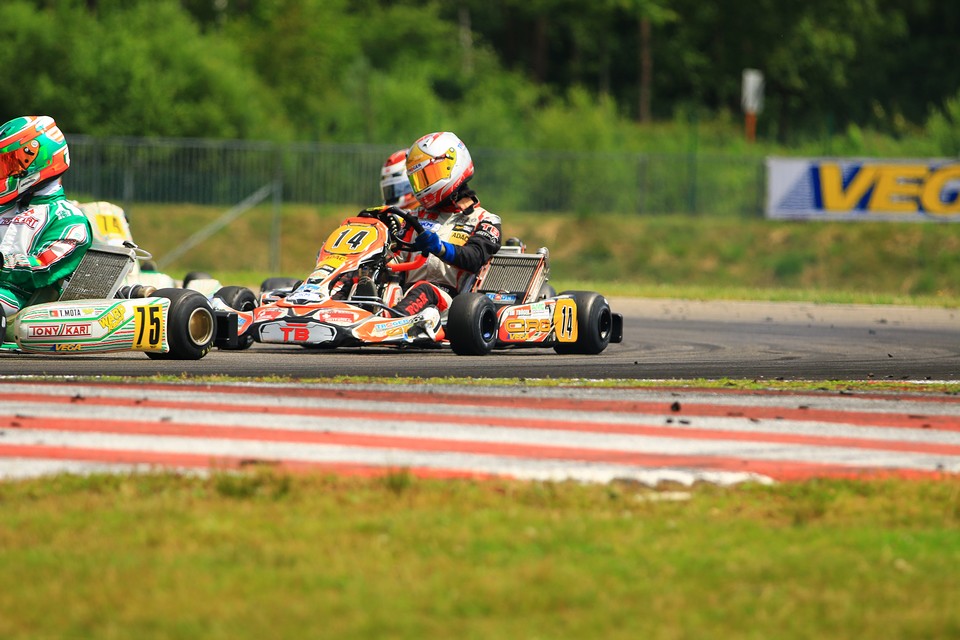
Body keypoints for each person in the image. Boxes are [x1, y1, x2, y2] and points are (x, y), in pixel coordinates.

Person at [391, 132, 502, 325]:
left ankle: (391, 323)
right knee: (367, 279)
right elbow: (396, 255)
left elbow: (474, 258)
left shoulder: (484, 220)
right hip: (405, 295)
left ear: (454, 167)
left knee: (425, 290)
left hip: (453, 305)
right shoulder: (414, 217)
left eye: (429, 176)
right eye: (420, 180)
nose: (424, 186)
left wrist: (440, 248)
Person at [0, 116, 91, 335]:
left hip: (20, 299)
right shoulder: (5, 208)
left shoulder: (69, 220)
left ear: (39, 159)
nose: (5, 170)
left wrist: (3, 264)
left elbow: (43, 266)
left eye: (10, 163)